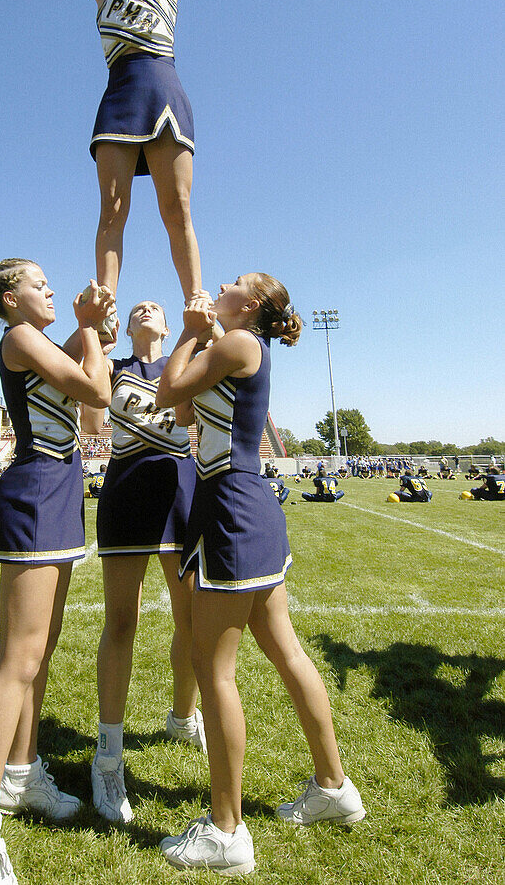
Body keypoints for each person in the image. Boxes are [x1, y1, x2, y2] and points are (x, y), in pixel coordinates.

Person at [154, 275, 365, 874]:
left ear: (250, 305)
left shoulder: (238, 344)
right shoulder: (239, 345)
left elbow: (171, 391)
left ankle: (226, 831)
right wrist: (203, 336)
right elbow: (194, 406)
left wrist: (190, 335)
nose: (221, 283)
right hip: (246, 506)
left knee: (211, 666)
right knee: (285, 650)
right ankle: (333, 788)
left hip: (232, 510)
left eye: (236, 283)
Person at [0, 259, 113, 885]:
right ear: (12, 299)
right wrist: (91, 325)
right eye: (40, 285)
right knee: (16, 660)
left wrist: (91, 326)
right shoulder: (18, 338)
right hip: (37, 494)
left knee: (39, 656)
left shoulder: (40, 342)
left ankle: (22, 774)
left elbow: (85, 375)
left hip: (62, 493)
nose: (50, 289)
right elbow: (95, 394)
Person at [26, 0, 231, 310]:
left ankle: (195, 301)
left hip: (165, 93)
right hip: (120, 97)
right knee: (112, 209)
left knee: (176, 207)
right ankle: (105, 306)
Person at [81, 300, 204, 823]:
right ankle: (108, 754)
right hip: (127, 487)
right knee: (121, 621)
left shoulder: (189, 359)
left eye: (154, 307)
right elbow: (90, 419)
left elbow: (194, 416)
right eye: (137, 308)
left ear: (169, 326)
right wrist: (95, 349)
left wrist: (198, 340)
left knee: (192, 619)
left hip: (180, 488)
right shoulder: (112, 367)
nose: (146, 309)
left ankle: (184, 716)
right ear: (128, 327)